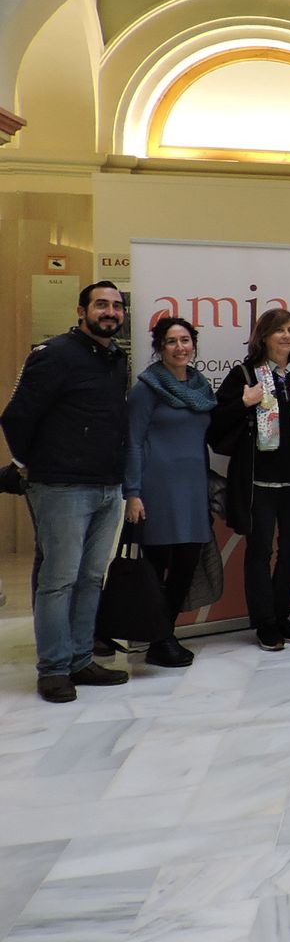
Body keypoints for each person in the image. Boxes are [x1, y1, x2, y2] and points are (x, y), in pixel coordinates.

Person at [2, 281, 131, 702]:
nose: (110, 312)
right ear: (81, 311)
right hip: (61, 487)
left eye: (117, 306)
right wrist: (25, 464)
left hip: (107, 485)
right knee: (59, 579)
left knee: (91, 577)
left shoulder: (115, 358)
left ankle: (80, 659)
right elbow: (16, 417)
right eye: (101, 305)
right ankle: (54, 669)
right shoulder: (54, 354)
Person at [210, 308, 290, 652]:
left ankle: (281, 615)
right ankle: (264, 622)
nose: (287, 336)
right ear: (264, 336)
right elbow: (216, 426)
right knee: (259, 552)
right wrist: (244, 403)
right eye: (280, 330)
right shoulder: (244, 375)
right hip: (259, 484)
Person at [124, 316, 214, 667]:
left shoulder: (201, 386)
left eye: (185, 340)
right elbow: (132, 442)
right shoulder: (146, 388)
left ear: (194, 345)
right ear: (160, 347)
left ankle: (165, 633)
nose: (180, 347)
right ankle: (158, 639)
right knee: (156, 568)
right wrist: (132, 492)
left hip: (193, 489)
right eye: (171, 341)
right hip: (157, 489)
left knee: (186, 567)